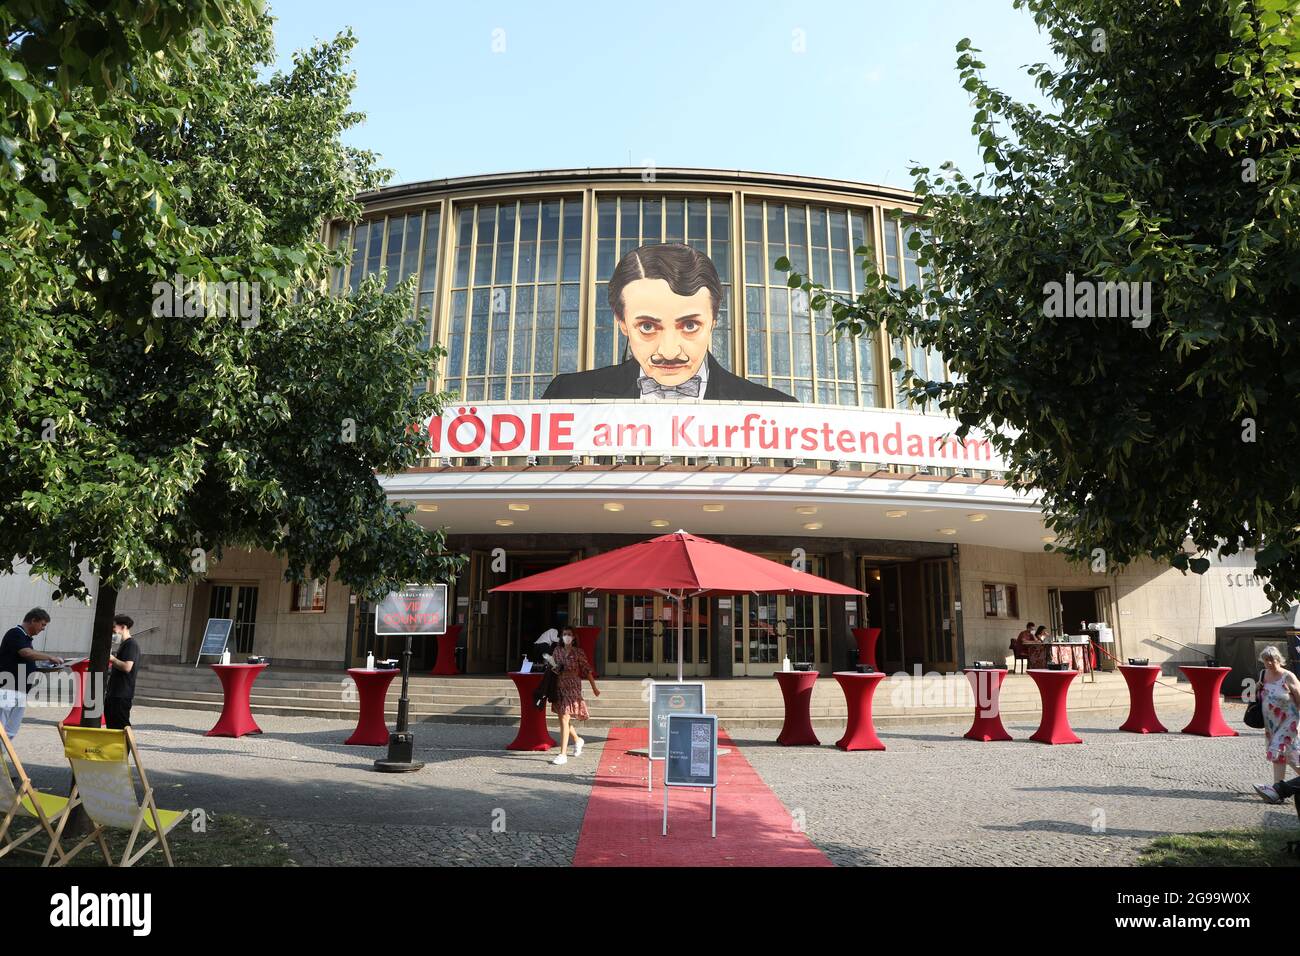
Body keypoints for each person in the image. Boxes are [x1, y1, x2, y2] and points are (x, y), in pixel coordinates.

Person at [543, 243, 797, 403]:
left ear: (713, 321)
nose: (669, 351)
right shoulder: (568, 395)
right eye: (647, 327)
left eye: (689, 326)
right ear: (622, 322)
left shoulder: (778, 409)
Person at [0, 608, 63, 739]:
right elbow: (26, 653)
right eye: (43, 624)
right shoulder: (15, 633)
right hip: (8, 690)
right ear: (33, 620)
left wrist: (48, 667)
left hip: (20, 691)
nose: (43, 628)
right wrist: (49, 657)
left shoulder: (26, 638)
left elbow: (27, 660)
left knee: (10, 731)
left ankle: (2, 756)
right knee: (2, 727)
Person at [1249, 645, 1300, 805]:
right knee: (1279, 755)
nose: (1269, 663)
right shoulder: (1263, 674)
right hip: (1271, 723)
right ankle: (1277, 789)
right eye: (1265, 660)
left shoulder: (1288, 676)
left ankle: (1279, 789)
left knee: (1284, 750)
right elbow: (1258, 692)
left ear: (1278, 659)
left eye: (1271, 660)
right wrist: (1257, 690)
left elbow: (1299, 697)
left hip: (1289, 721)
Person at [549, 626, 599, 765]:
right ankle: (578, 740)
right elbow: (552, 666)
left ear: (574, 637)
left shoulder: (578, 652)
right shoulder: (557, 650)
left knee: (565, 716)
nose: (567, 636)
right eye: (564, 634)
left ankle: (562, 754)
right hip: (559, 685)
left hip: (573, 686)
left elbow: (587, 670)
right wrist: (554, 666)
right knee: (563, 719)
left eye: (569, 634)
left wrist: (594, 687)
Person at [104, 614, 140, 729]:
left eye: (114, 627)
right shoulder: (123, 644)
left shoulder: (131, 644)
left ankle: (127, 747)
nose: (112, 631)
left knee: (121, 725)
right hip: (114, 692)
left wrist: (112, 659)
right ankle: (115, 747)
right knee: (112, 724)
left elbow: (127, 667)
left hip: (122, 693)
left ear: (123, 627)